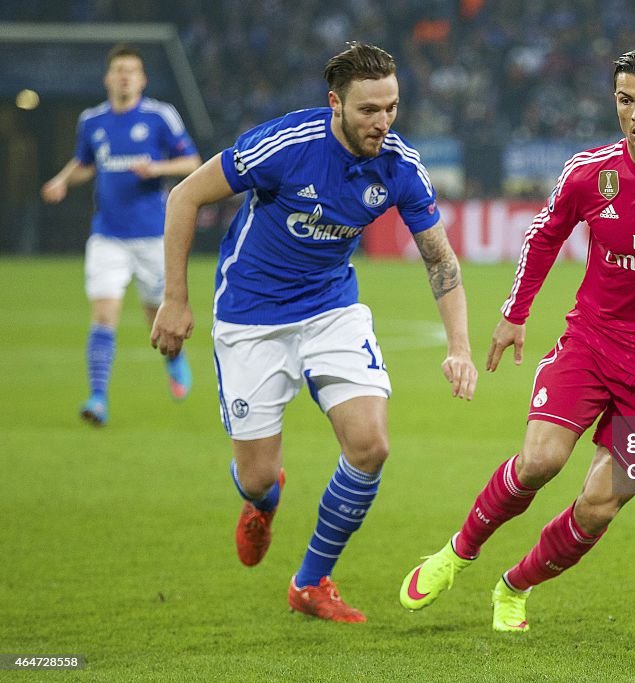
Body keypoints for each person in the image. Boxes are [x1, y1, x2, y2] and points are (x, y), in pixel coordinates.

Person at [399, 46, 635, 632]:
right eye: (625, 100)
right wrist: (515, 313)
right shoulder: (590, 171)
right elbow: (544, 234)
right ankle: (457, 552)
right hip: (593, 343)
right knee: (539, 461)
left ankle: (514, 587)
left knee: (599, 505)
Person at [150, 42, 477, 623]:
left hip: (332, 309)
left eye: (392, 108)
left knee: (371, 446)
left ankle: (310, 581)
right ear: (335, 103)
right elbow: (184, 196)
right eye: (368, 110)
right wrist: (175, 300)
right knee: (256, 478)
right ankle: (263, 501)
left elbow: (440, 260)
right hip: (251, 315)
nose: (382, 122)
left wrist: (460, 348)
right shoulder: (285, 145)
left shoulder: (400, 166)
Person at [41, 44, 201, 426]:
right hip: (107, 235)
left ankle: (174, 360)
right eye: (119, 70)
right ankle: (97, 398)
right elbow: (86, 163)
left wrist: (157, 168)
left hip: (152, 236)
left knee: (155, 315)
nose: (125, 76)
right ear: (108, 78)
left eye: (132, 70)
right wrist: (62, 180)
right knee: (103, 314)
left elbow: (192, 162)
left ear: (142, 79)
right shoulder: (92, 120)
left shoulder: (160, 116)